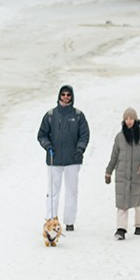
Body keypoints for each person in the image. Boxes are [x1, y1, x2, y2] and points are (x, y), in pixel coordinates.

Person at [37, 84, 90, 236]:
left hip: (73, 160)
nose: (66, 97)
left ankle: (70, 221)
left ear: (72, 97)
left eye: (68, 95)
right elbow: (42, 135)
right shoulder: (50, 115)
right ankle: (51, 219)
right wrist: (48, 146)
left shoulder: (78, 115)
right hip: (54, 159)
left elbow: (84, 135)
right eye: (63, 94)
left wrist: (80, 148)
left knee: (72, 191)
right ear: (59, 96)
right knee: (53, 191)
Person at [104, 108, 140, 240]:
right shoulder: (120, 137)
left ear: (135, 119)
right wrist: (108, 171)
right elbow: (114, 156)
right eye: (126, 119)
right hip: (122, 175)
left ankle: (139, 225)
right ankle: (121, 229)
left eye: (131, 118)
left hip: (138, 174)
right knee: (122, 203)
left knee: (138, 201)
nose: (129, 121)